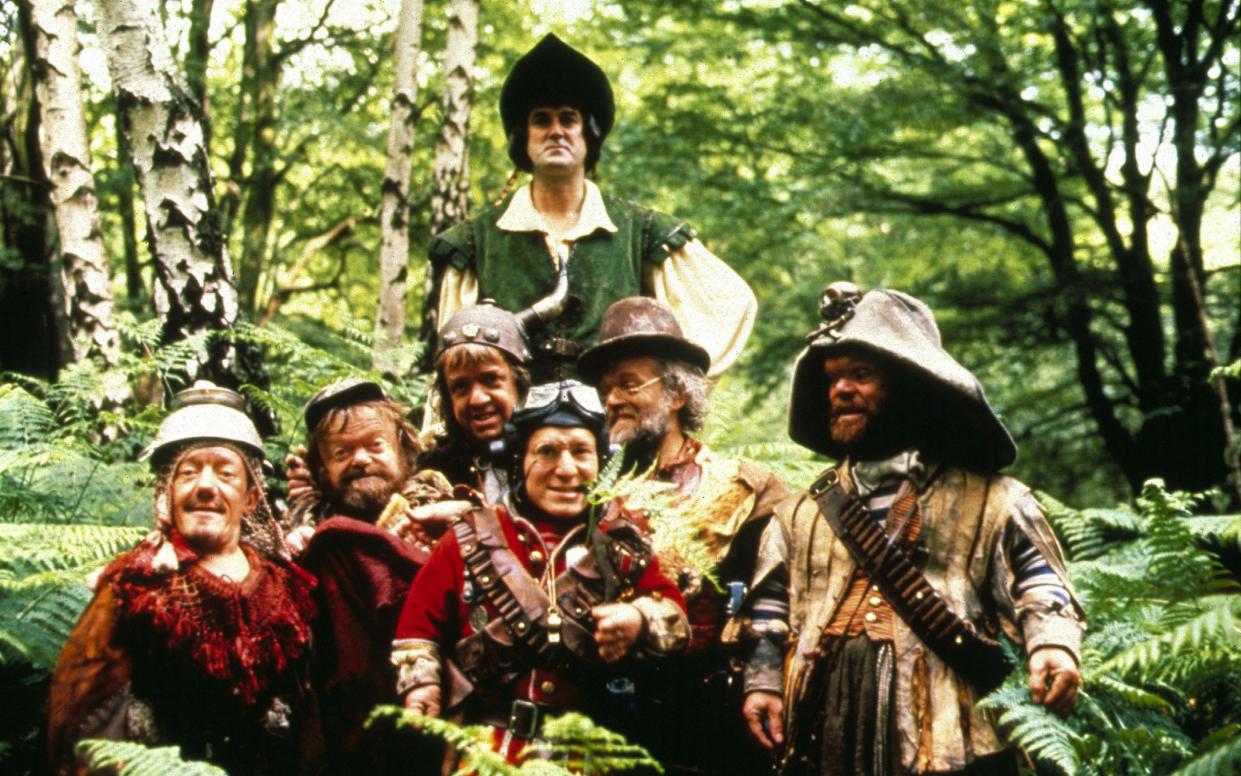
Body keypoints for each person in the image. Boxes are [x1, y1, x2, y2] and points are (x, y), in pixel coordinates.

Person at [740, 283, 1086, 775]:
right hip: (822, 729)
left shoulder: (995, 500)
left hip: (953, 731)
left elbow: (1039, 581)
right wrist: (762, 680)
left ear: (912, 383)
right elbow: (769, 607)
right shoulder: (798, 515)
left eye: (861, 374)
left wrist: (1052, 644)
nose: (839, 390)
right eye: (833, 378)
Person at [391, 381, 689, 766]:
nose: (566, 470)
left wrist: (638, 619)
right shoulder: (468, 537)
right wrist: (423, 685)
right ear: (519, 461)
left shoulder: (623, 543)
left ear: (601, 462)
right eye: (547, 452)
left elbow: (677, 622)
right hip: (486, 752)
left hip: (589, 753)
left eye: (582, 452)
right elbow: (418, 628)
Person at [428, 33, 755, 383]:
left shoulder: (641, 232)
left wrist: (669, 391)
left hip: (614, 429)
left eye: (568, 119)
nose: (556, 132)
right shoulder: (476, 243)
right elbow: (451, 367)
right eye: (541, 120)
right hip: (509, 433)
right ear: (523, 135)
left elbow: (729, 307)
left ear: (589, 134)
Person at [47, 381, 319, 775]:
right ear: (167, 491)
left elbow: (309, 721)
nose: (205, 486)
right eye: (188, 472)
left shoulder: (285, 589)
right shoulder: (133, 586)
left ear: (251, 498)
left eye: (225, 473)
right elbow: (81, 719)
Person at [577, 296, 789, 775]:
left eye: (629, 384)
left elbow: (782, 591)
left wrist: (764, 677)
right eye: (606, 389)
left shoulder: (746, 486)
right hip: (605, 723)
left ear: (677, 394)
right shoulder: (591, 493)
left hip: (708, 726)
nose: (612, 400)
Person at [283, 379, 456, 768]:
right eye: (341, 452)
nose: (360, 459)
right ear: (321, 471)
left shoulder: (441, 510)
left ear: (406, 452)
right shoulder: (305, 528)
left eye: (375, 446)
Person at [418, 302, 532, 503]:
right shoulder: (433, 471)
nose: (477, 399)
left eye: (490, 379)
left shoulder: (551, 458)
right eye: (461, 386)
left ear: (519, 382)